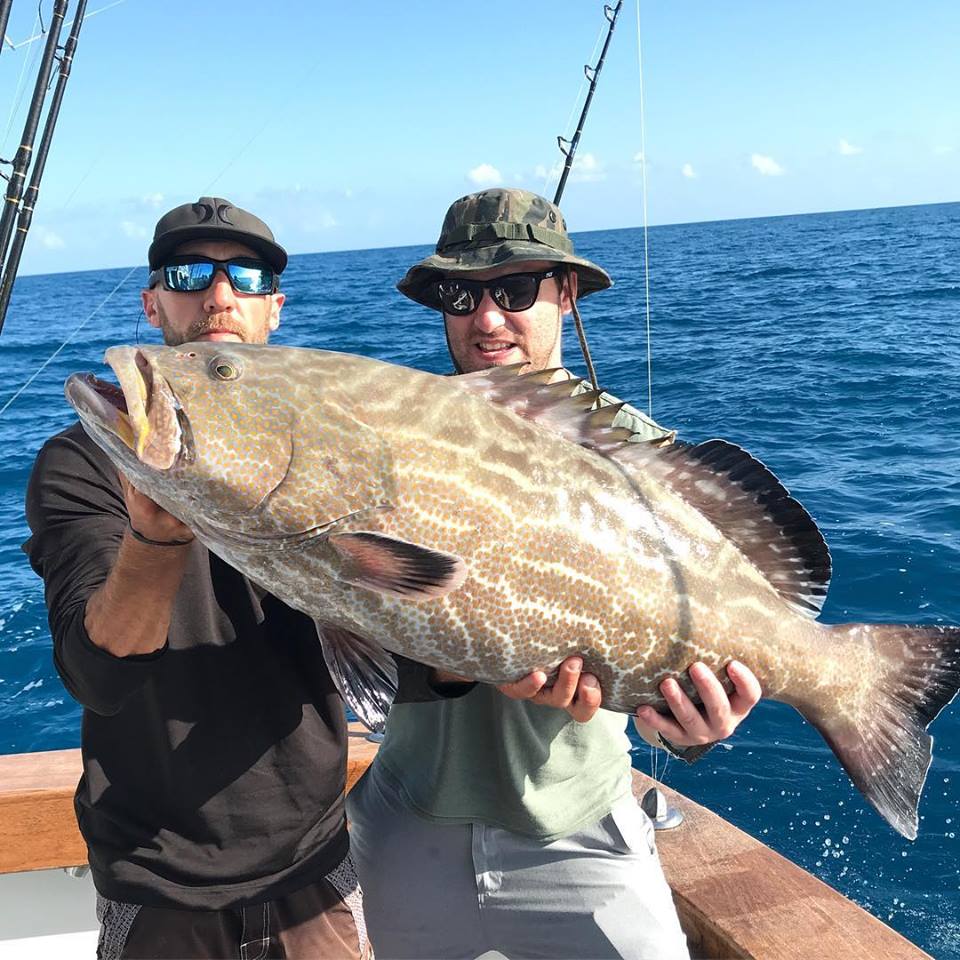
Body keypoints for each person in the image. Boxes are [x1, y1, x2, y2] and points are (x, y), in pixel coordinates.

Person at [346, 188, 763, 959]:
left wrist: (697, 728)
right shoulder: (385, 433)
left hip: (583, 830)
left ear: (564, 294)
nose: (488, 318)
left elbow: (689, 661)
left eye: (514, 290)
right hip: (408, 827)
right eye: (460, 294)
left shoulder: (645, 455)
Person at [23, 197, 371, 960]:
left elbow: (395, 652)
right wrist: (155, 533)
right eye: (188, 273)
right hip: (157, 889)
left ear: (274, 309)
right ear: (152, 303)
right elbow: (98, 675)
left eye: (245, 277)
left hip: (316, 864)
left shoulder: (337, 447)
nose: (218, 295)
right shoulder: (83, 460)